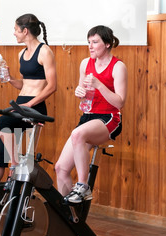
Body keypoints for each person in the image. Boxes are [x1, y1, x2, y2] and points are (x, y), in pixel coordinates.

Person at [55, 25, 128, 204]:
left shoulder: (118, 67)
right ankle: (67, 214)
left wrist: (100, 85)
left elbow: (120, 102)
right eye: (89, 42)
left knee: (77, 134)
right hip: (88, 116)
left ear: (108, 44)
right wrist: (79, 92)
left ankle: (83, 186)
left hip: (109, 118)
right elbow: (84, 95)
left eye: (95, 42)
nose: (91, 46)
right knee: (60, 168)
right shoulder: (85, 63)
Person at [0, 13, 57, 183]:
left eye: (16, 30)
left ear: (25, 31)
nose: (14, 33)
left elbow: (52, 86)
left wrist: (30, 104)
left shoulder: (45, 51)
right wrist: (10, 78)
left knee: (1, 123)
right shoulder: (22, 53)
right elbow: (24, 84)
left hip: (35, 106)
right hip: (22, 104)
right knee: (1, 151)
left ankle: (15, 163)